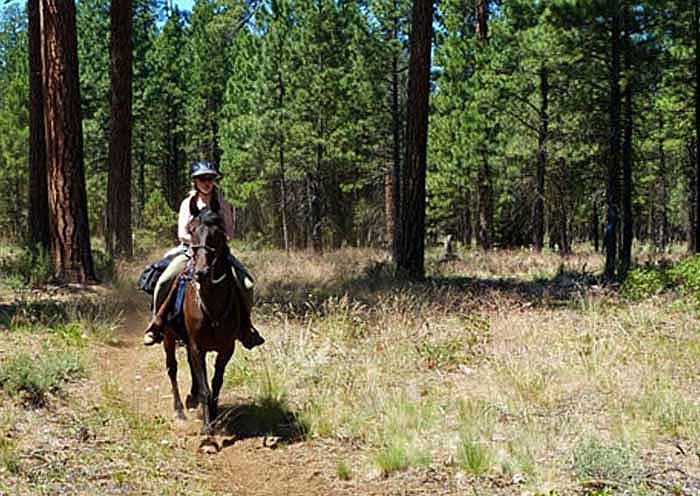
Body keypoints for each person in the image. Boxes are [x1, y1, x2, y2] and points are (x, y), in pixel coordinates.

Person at [143, 160, 264, 349]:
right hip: (190, 251)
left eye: (210, 178)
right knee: (164, 281)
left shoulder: (222, 204)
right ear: (195, 181)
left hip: (218, 253)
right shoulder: (187, 204)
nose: (206, 182)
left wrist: (214, 242)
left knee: (247, 284)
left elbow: (230, 233)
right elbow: (182, 233)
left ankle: (245, 327)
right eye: (202, 179)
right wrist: (198, 244)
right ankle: (156, 325)